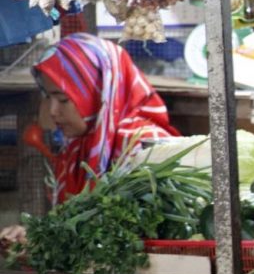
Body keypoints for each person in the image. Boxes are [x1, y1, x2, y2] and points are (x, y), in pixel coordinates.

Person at [0, 33, 179, 243]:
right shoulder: (78, 148)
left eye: (63, 100)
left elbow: (130, 236)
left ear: (99, 93)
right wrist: (36, 234)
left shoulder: (145, 147)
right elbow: (74, 225)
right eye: (48, 97)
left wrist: (47, 238)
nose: (53, 111)